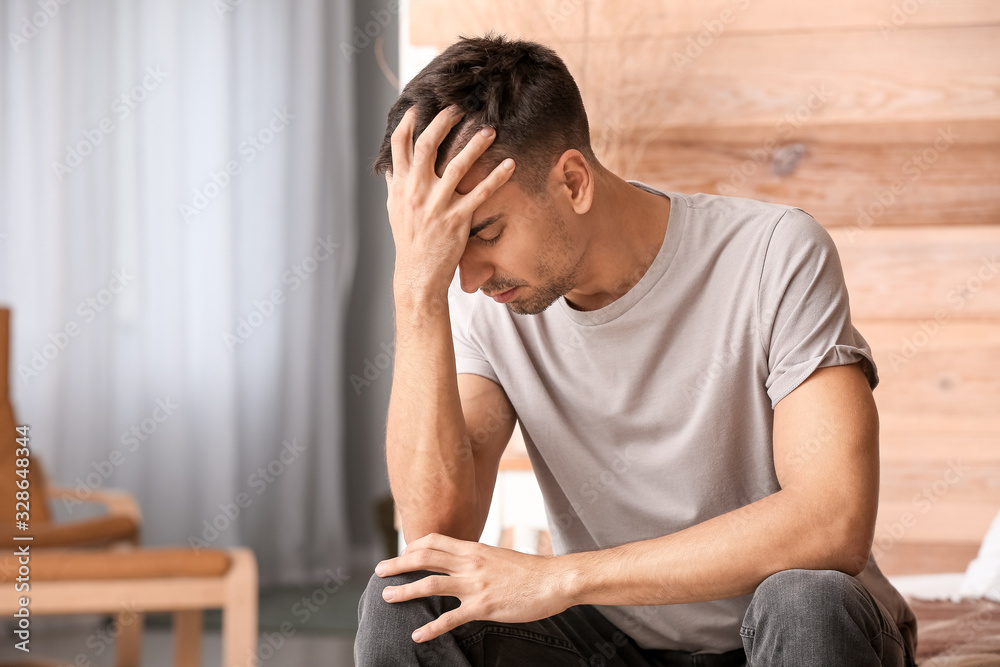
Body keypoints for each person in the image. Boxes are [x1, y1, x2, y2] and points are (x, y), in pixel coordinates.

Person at [356, 30, 918, 666]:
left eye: (485, 232)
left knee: (805, 601)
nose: (471, 275)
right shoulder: (486, 302)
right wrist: (415, 291)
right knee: (406, 598)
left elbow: (831, 522)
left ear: (573, 182)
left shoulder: (774, 253)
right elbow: (434, 534)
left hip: (785, 637)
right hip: (618, 648)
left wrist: (560, 578)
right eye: (449, 250)